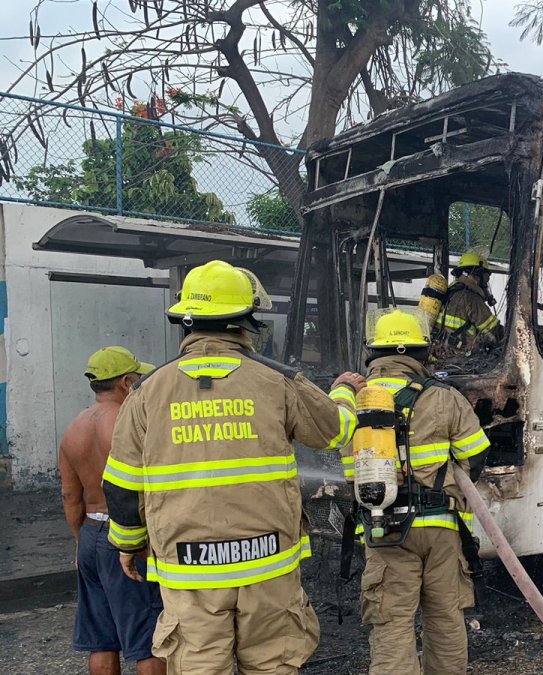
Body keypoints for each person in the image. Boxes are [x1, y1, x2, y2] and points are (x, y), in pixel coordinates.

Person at [101, 260, 361, 674]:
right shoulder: (279, 380)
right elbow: (336, 429)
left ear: (187, 322)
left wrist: (129, 546)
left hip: (190, 572)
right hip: (268, 567)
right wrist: (345, 391)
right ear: (245, 323)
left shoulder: (147, 392)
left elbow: (122, 485)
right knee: (273, 664)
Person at [345, 309, 491, 674]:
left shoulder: (358, 403)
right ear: (420, 352)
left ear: (375, 352)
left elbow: (350, 472)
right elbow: (476, 456)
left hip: (384, 529)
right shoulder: (445, 397)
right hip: (441, 526)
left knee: (392, 623)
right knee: (445, 617)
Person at [61, 347, 164, 675]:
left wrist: (81, 539)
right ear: (125, 383)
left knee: (102, 639)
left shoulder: (73, 428)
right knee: (148, 637)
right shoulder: (129, 424)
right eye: (137, 379)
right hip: (128, 536)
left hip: (91, 534)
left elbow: (70, 497)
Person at [434, 249, 502, 350]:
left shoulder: (450, 291)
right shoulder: (471, 298)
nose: (485, 283)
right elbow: (495, 332)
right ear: (475, 275)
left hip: (439, 350)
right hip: (459, 355)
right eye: (485, 278)